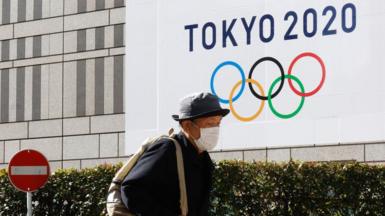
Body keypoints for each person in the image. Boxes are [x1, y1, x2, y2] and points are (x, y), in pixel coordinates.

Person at [120, 92, 229, 216]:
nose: (215, 129)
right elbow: (131, 189)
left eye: (218, 123)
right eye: (210, 123)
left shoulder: (203, 158)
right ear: (187, 125)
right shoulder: (167, 149)